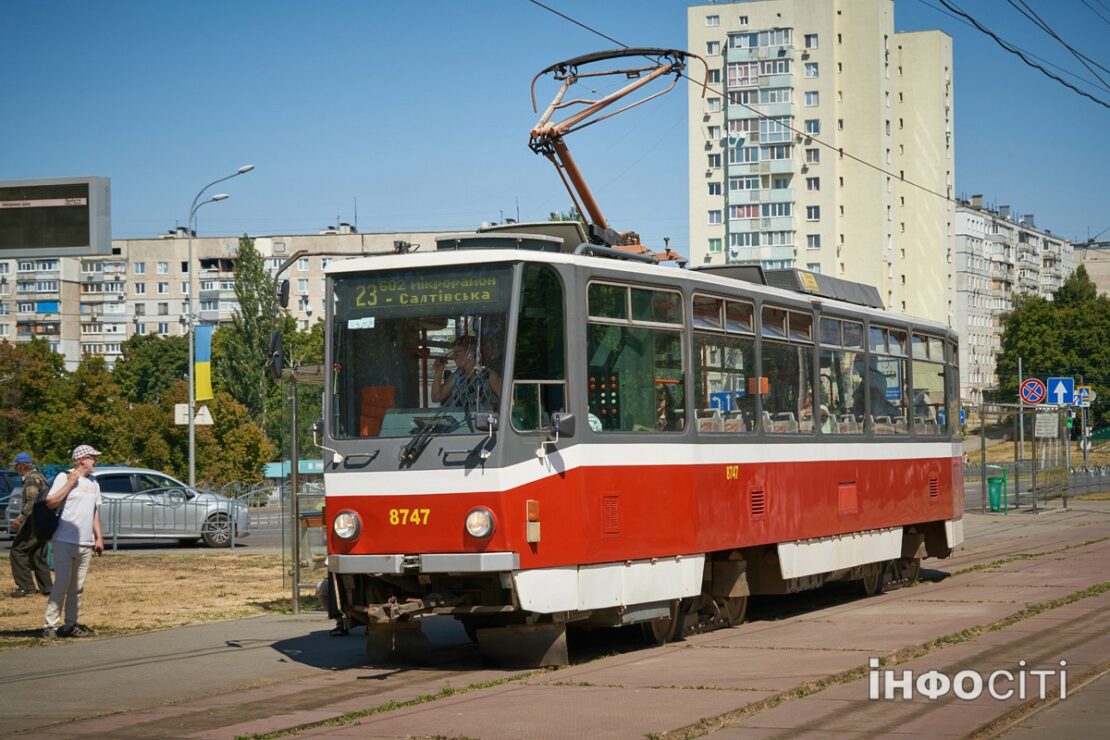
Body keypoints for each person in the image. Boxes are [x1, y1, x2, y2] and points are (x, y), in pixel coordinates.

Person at [42, 444, 105, 639]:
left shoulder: (94, 482)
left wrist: (99, 537)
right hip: (64, 539)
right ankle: (50, 625)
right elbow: (51, 502)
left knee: (77, 587)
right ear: (81, 459)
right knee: (61, 583)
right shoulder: (64, 477)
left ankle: (70, 625)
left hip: (86, 542)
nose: (95, 461)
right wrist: (70, 483)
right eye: (92, 457)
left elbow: (94, 511)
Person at [8, 452, 52, 598]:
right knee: (38, 553)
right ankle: (47, 588)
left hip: (33, 521)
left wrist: (19, 519)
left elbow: (31, 502)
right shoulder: (40, 476)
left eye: (16, 466)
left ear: (22, 466)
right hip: (44, 521)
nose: (16, 469)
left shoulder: (31, 479)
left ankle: (26, 587)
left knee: (17, 551)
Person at [432, 336, 502, 409]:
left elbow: (509, 401)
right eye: (454, 353)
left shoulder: (488, 376)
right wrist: (438, 372)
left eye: (457, 353)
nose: (454, 357)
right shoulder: (457, 375)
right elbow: (436, 397)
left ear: (470, 354)